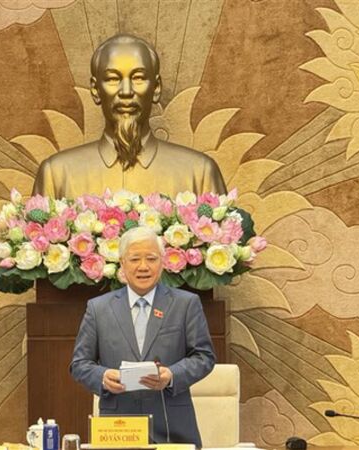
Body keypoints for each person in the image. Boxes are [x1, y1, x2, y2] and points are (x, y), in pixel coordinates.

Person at [70, 227, 215, 447]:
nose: (143, 266)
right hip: (118, 430)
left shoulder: (186, 304)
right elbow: (79, 364)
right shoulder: (98, 309)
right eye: (135, 259)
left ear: (162, 262)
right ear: (122, 263)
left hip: (172, 427)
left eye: (151, 258)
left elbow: (204, 357)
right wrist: (103, 376)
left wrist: (172, 375)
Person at [32, 34, 226, 198]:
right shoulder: (56, 175)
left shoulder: (199, 173)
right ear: (95, 90)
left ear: (156, 88)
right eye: (113, 79)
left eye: (138, 78)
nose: (126, 91)